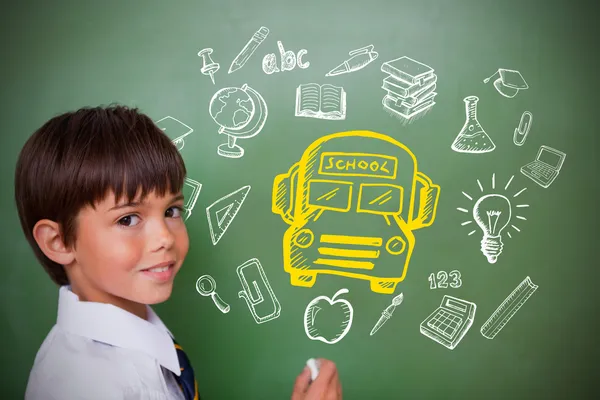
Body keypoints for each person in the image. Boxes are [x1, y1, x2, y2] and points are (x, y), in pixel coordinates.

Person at [15, 105, 342, 400]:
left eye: (172, 211)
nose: (164, 238)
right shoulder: (87, 385)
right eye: (128, 219)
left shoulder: (137, 335)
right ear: (59, 242)